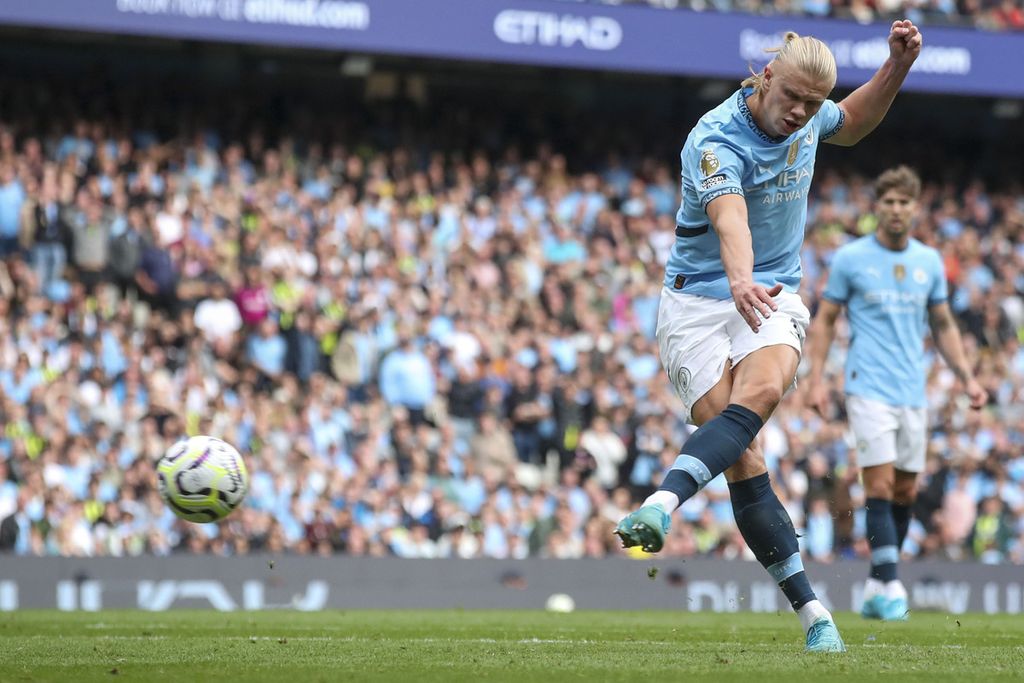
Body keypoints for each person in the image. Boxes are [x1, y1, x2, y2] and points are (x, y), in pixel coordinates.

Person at [614, 20, 925, 653]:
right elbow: (730, 220)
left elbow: (855, 120)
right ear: (764, 76)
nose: (801, 115)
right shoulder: (714, 139)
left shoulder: (808, 116)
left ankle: (661, 505)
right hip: (698, 302)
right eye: (793, 99)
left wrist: (897, 65)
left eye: (813, 105)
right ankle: (810, 605)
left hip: (773, 290)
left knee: (760, 395)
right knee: (744, 459)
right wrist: (737, 280)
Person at [804, 166, 985, 620]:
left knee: (904, 491)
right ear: (877, 208)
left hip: (912, 390)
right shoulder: (850, 259)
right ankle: (892, 585)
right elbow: (825, 320)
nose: (897, 209)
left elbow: (943, 324)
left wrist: (966, 376)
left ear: (915, 208)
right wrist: (816, 378)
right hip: (867, 385)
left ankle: (875, 586)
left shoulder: (928, 262)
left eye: (905, 202)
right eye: (889, 202)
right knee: (879, 484)